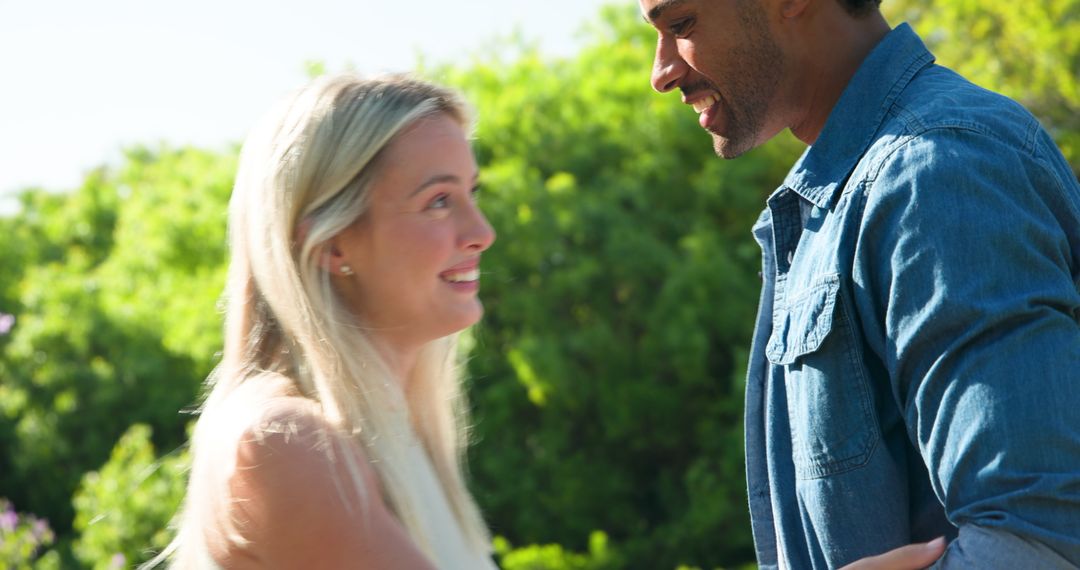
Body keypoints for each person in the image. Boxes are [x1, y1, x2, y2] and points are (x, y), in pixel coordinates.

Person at [638, 0, 1080, 568]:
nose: (661, 72)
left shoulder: (937, 169)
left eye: (680, 25)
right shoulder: (854, 190)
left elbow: (1040, 542)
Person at [151, 74, 498, 568]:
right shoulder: (285, 442)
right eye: (439, 201)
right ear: (333, 245)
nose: (482, 232)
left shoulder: (394, 435)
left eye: (471, 193)